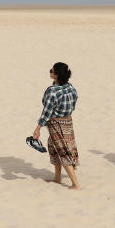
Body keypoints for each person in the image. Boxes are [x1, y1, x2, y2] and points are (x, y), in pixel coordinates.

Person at [31, 62, 82, 190]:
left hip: (56, 123)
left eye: (51, 70)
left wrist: (38, 128)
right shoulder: (71, 88)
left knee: (63, 151)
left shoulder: (52, 91)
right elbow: (74, 104)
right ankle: (57, 178)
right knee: (54, 148)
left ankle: (75, 184)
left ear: (57, 75)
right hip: (68, 122)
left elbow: (46, 111)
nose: (50, 72)